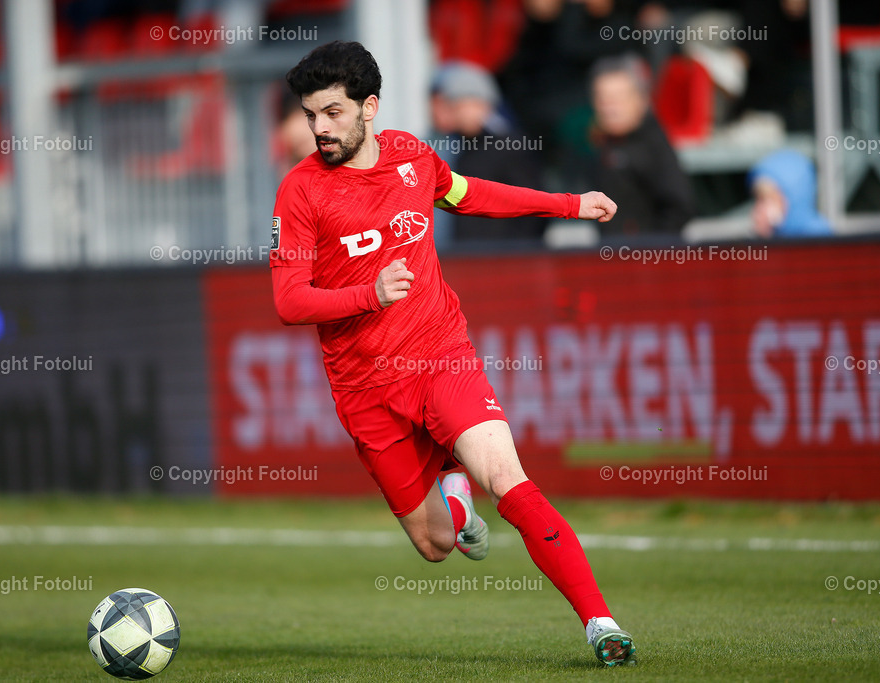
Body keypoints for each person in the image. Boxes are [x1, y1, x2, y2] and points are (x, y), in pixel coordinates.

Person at [269, 40, 636, 667]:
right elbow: (290, 300)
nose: (319, 128)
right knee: (437, 545)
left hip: (439, 352)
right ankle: (452, 490)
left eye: (333, 113)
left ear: (369, 107)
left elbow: (472, 194)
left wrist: (569, 204)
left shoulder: (412, 156)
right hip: (364, 388)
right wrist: (369, 293)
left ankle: (601, 623)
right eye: (311, 115)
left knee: (509, 480)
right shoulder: (300, 192)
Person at [429, 61, 547, 245]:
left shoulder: (509, 146)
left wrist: (517, 253)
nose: (453, 114)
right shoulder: (455, 146)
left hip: (502, 260)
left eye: (459, 106)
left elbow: (534, 209)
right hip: (467, 258)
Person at [590, 53, 695, 236]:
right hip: (609, 256)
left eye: (618, 97)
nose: (609, 107)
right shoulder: (602, 142)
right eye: (602, 98)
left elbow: (679, 207)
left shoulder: (653, 145)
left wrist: (648, 253)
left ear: (641, 99)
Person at [748, 149, 832, 238]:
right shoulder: (777, 239)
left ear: (795, 198)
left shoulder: (818, 237)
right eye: (758, 199)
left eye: (767, 200)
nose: (758, 210)